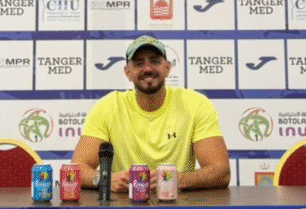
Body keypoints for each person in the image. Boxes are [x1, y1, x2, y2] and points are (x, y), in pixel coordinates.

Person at [71, 35, 230, 192]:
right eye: (139, 63)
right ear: (127, 72)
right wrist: (104, 180)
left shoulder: (196, 104)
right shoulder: (108, 107)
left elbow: (221, 172)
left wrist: (180, 180)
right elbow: (77, 169)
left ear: (167, 68)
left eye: (154, 61)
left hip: (179, 204)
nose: (147, 69)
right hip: (123, 205)